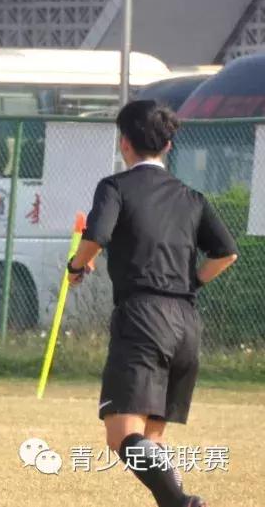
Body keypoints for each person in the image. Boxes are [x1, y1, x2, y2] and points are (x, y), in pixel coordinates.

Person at [67, 100, 238, 507]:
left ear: (124, 143)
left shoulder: (116, 187)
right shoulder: (191, 197)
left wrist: (77, 265)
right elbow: (226, 253)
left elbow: (98, 234)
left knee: (123, 434)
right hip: (185, 323)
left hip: (142, 318)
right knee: (151, 439)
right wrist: (191, 282)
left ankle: (184, 505)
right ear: (168, 145)